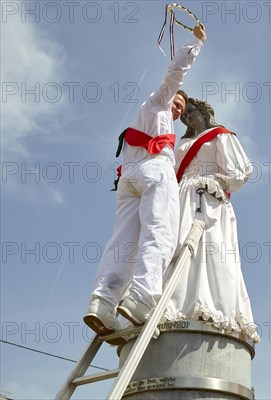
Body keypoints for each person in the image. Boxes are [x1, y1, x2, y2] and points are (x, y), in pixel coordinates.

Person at [83, 25, 207, 341]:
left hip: (129, 178)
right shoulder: (159, 101)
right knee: (160, 232)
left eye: (180, 108)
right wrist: (196, 44)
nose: (178, 107)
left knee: (122, 241)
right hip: (154, 171)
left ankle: (103, 302)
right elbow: (175, 74)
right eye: (177, 102)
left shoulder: (147, 118)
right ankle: (141, 297)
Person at [165, 98, 260, 343]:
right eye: (183, 116)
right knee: (175, 246)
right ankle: (172, 301)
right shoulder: (184, 142)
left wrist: (216, 181)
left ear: (204, 111)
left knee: (208, 248)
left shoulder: (220, 135)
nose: (187, 118)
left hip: (206, 193)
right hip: (179, 196)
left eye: (190, 112)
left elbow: (239, 171)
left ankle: (209, 304)